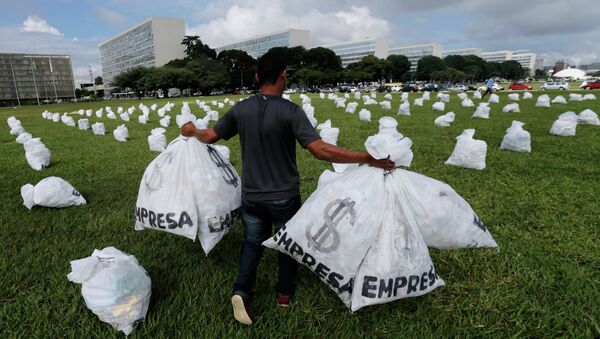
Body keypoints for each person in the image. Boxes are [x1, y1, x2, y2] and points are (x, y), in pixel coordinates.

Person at [180, 49, 395, 325]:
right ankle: (283, 295)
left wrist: (192, 131)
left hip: (252, 197)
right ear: (284, 76)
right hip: (284, 196)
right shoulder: (291, 111)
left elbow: (210, 136)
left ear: (257, 77)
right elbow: (321, 150)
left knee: (251, 243)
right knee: (286, 245)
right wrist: (367, 157)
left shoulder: (241, 108)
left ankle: (242, 290)